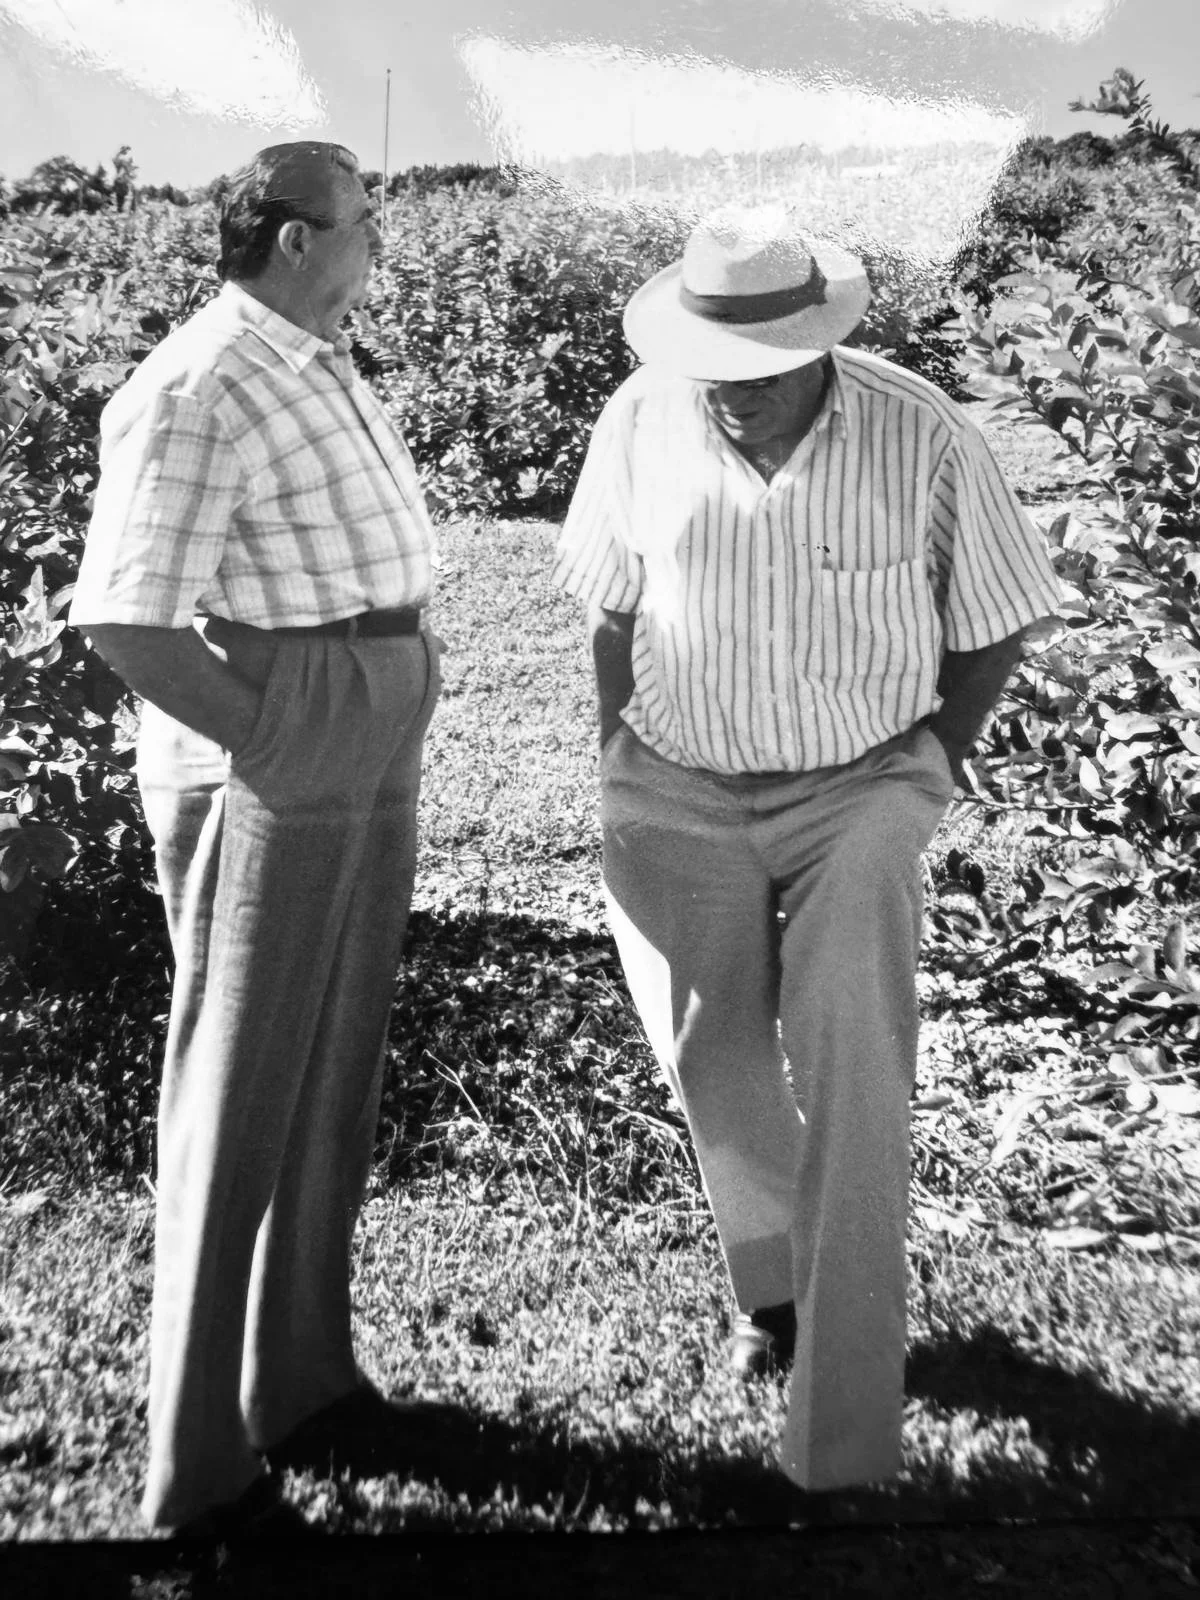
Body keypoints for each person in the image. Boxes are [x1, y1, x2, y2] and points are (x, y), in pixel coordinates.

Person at [551, 206, 1060, 1493]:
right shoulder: (639, 417)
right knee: (708, 1053)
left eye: (760, 374)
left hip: (860, 789)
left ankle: (842, 1447)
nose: (732, 398)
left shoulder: (919, 428)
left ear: (822, 346)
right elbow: (613, 599)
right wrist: (621, 751)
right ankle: (770, 1292)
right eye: (712, 372)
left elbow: (996, 612)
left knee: (855, 1070)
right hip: (674, 784)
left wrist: (933, 764)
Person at [70, 142, 441, 1537]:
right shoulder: (199, 383)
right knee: (237, 1092)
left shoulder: (313, 355)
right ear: (291, 237)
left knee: (328, 1067)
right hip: (283, 736)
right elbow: (124, 616)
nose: (378, 236)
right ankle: (200, 1465)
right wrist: (274, 735)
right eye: (362, 217)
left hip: (361, 709)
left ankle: (297, 1379)